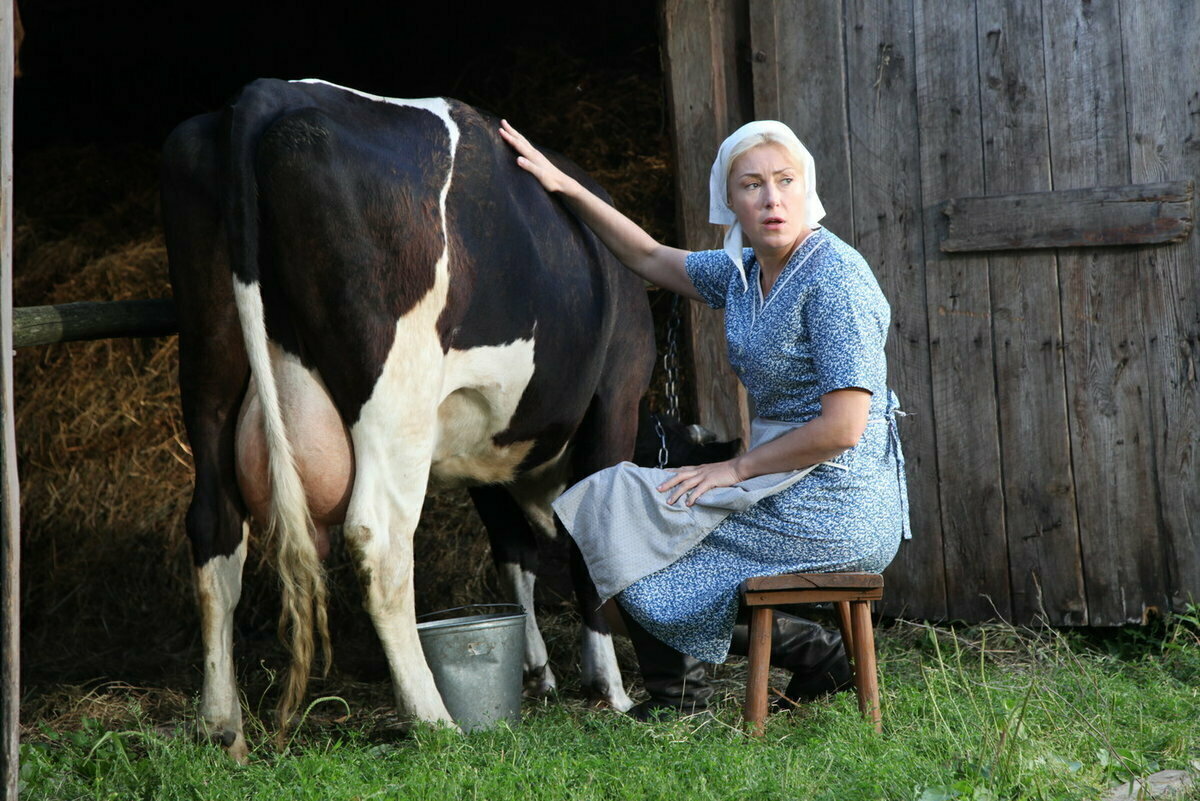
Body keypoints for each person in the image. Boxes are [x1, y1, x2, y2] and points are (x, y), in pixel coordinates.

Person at [499, 118, 910, 719]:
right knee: (613, 508)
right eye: (751, 185)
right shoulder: (744, 272)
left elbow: (844, 428)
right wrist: (565, 187)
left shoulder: (835, 278)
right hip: (782, 483)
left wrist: (734, 468)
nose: (771, 199)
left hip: (839, 494)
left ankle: (689, 692)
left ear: (807, 188)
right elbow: (646, 255)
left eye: (785, 181)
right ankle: (799, 653)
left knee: (640, 527)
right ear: (730, 201)